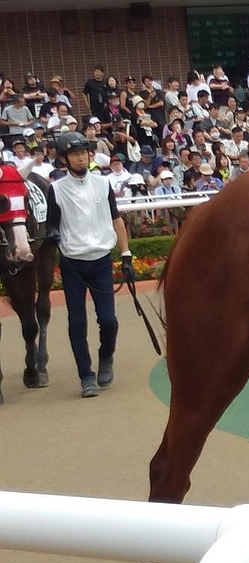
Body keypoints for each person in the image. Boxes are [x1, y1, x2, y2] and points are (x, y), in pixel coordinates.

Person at [44, 132, 134, 398]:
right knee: (77, 322)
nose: (81, 158)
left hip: (101, 261)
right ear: (65, 159)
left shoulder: (103, 184)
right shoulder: (56, 189)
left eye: (84, 153)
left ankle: (106, 357)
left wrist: (126, 254)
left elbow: (116, 219)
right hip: (73, 263)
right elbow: (52, 224)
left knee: (109, 320)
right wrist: (52, 234)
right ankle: (86, 376)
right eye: (75, 154)